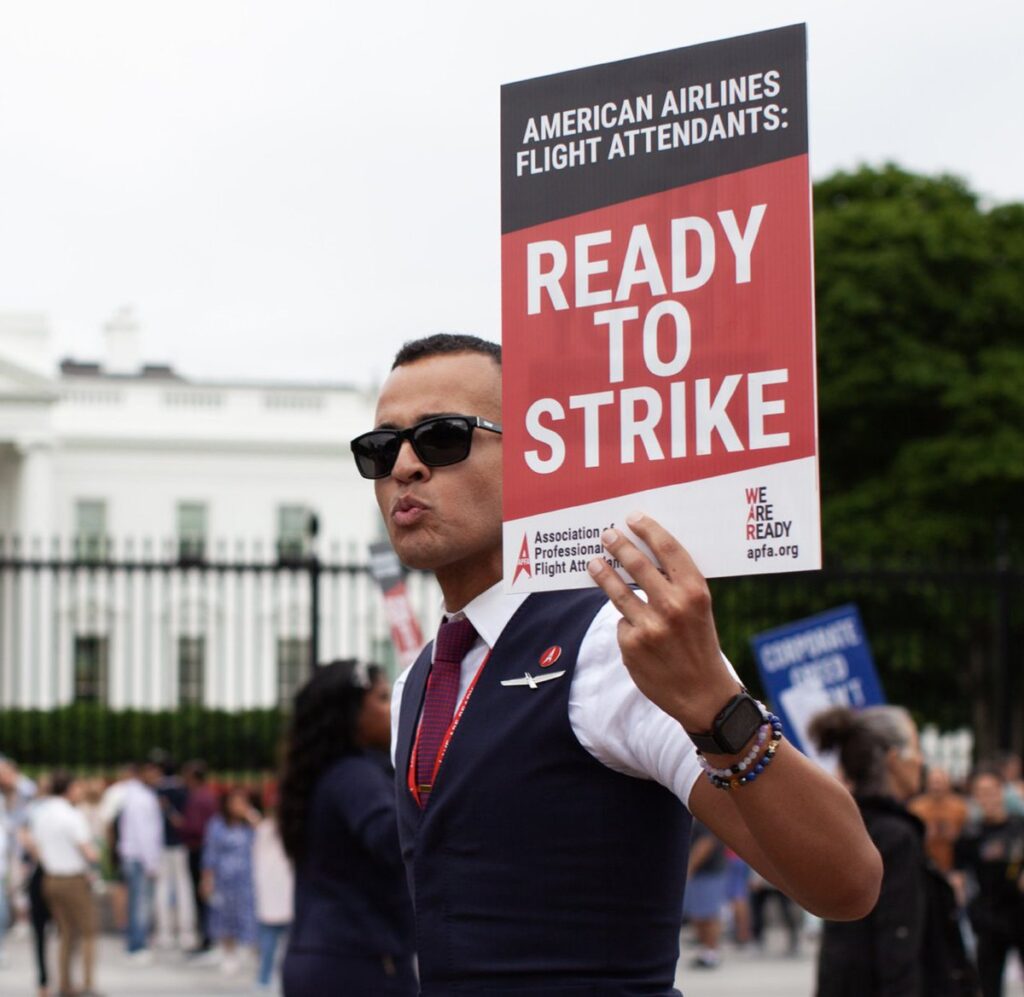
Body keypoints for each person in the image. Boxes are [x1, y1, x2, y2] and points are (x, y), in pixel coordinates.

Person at [351, 333, 881, 994]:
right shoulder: (417, 681)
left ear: (539, 455)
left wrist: (717, 705)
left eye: (441, 437)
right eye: (380, 448)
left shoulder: (612, 640)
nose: (404, 466)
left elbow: (847, 882)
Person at [810, 706, 977, 996]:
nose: (921, 760)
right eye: (916, 749)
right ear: (893, 759)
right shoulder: (894, 836)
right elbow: (898, 941)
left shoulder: (853, 825)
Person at [279, 660, 416, 996]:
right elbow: (393, 839)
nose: (394, 707)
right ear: (351, 713)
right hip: (358, 962)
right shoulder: (356, 776)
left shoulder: (328, 774)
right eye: (382, 698)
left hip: (320, 954)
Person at [27, 771, 101, 997]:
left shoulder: (42, 813)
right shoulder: (71, 815)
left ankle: (65, 984)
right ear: (68, 789)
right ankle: (87, 984)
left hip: (50, 878)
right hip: (72, 878)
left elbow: (34, 845)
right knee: (88, 931)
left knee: (66, 932)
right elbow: (88, 852)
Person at [954, 767, 1024, 997]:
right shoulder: (970, 835)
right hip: (988, 916)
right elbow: (959, 875)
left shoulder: (1019, 826)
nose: (987, 798)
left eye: (992, 791)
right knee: (989, 985)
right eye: (981, 792)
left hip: (1020, 911)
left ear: (1002, 791)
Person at [200, 787, 258, 976]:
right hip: (224, 879)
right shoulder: (217, 825)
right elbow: (210, 853)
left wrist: (252, 818)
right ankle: (228, 952)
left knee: (248, 914)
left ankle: (250, 949)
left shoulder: (250, 825)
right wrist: (207, 879)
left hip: (247, 879)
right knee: (224, 916)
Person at [117, 760, 164, 961]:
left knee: (136, 901)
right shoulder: (140, 798)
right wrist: (151, 862)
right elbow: (144, 833)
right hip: (140, 857)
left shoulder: (136, 795)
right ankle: (137, 944)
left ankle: (135, 941)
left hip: (136, 856)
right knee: (140, 903)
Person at [152, 755, 197, 950]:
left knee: (164, 888)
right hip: (179, 844)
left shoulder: (157, 790)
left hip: (164, 844)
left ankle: (166, 932)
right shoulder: (181, 789)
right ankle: (186, 932)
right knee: (183, 888)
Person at [252, 801, 293, 991]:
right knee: (273, 941)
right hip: (276, 893)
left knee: (278, 942)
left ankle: (268, 977)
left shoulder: (272, 830)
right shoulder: (267, 830)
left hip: (282, 894)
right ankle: (266, 977)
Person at [179, 759, 218, 954]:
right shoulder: (207, 796)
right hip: (201, 848)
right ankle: (207, 935)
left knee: (202, 895)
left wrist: (180, 825)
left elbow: (194, 827)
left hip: (198, 849)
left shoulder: (199, 798)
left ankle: (207, 937)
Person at [682, 822, 729, 969]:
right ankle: (706, 952)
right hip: (704, 873)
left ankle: (711, 952)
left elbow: (706, 844)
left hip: (708, 873)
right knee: (700, 914)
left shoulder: (704, 821)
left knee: (708, 915)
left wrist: (689, 868)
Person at [909, 765, 970, 874]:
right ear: (926, 784)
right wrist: (923, 834)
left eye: (940, 782)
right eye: (933, 782)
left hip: (952, 865)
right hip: (923, 865)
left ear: (948, 784)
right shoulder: (915, 808)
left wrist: (956, 836)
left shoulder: (960, 807)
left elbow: (968, 837)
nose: (936, 787)